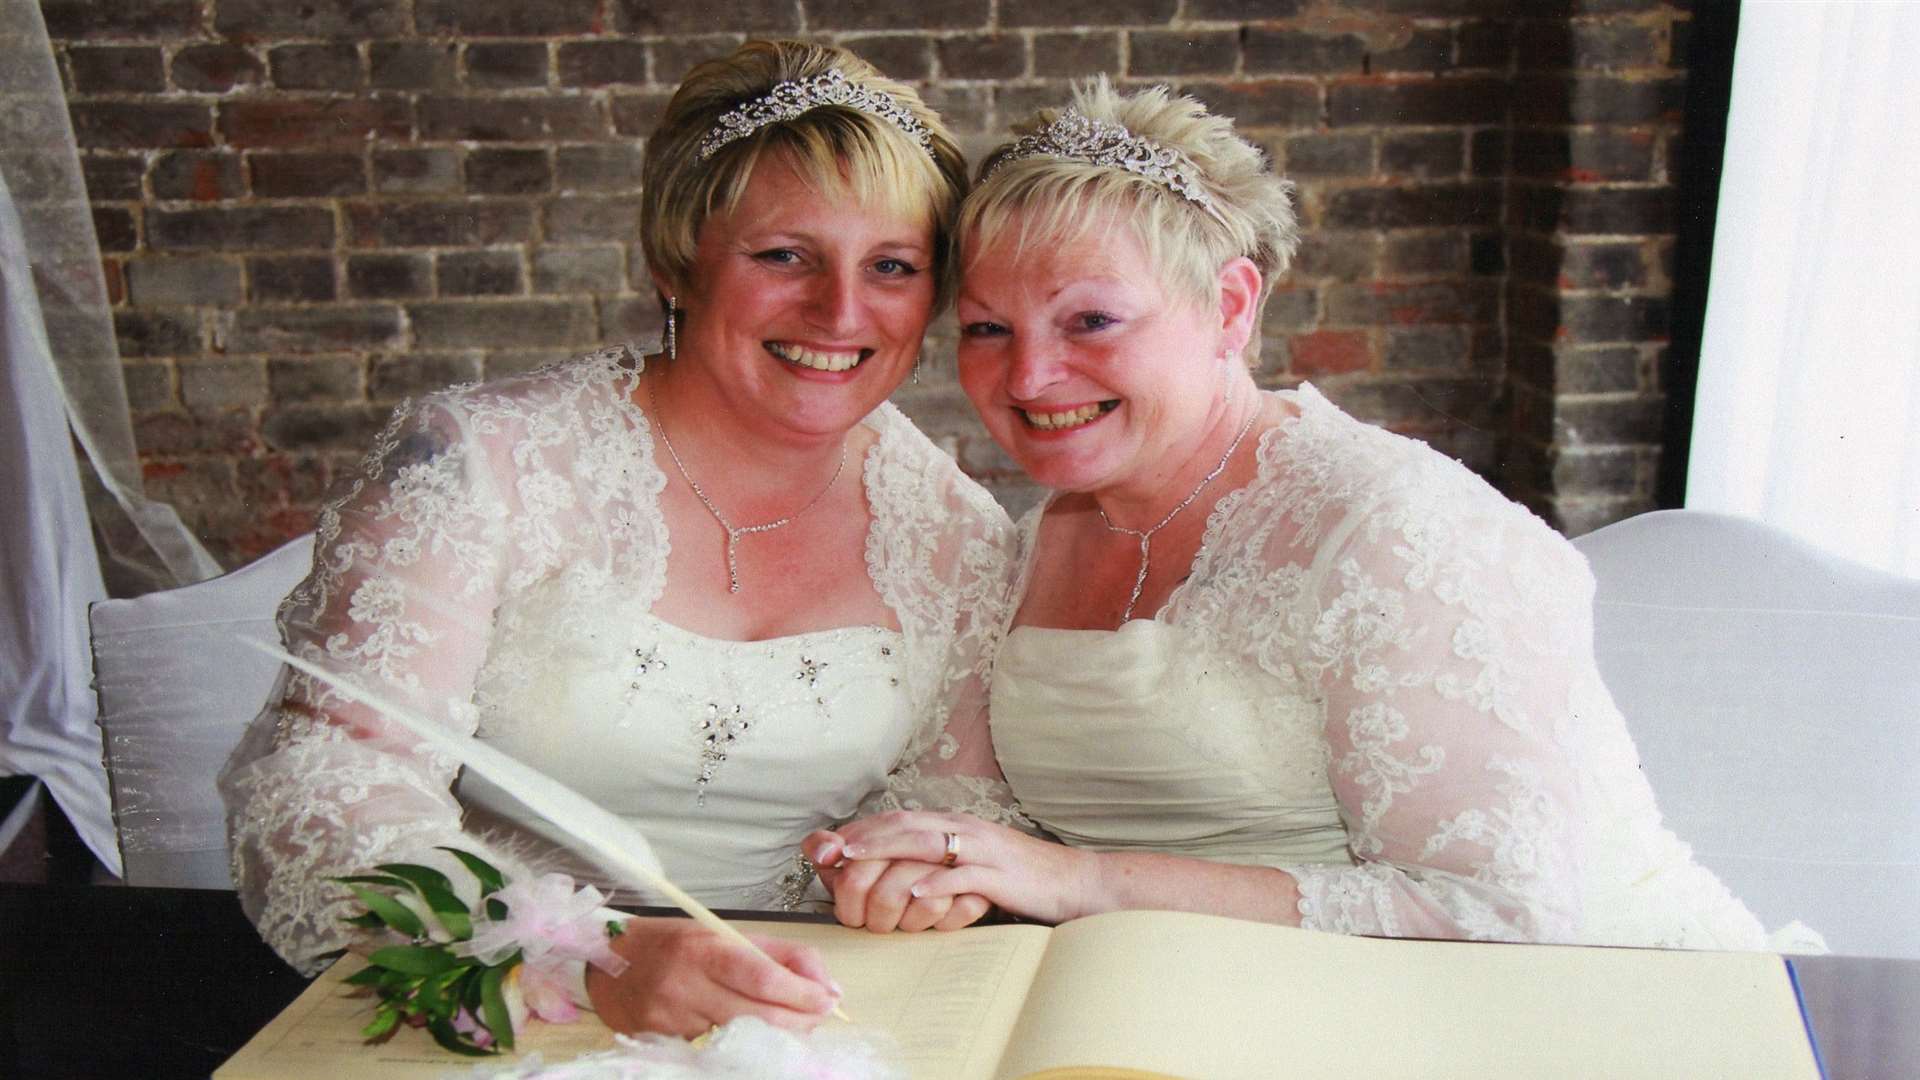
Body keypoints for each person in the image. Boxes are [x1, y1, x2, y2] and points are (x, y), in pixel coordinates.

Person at [808, 79, 1807, 952]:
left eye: (1091, 321)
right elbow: (971, 817)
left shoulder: (1394, 525)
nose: (1028, 376)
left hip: (1581, 1005)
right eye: (988, 329)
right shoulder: (1032, 544)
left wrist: (1082, 884)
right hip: (1195, 1004)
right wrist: (907, 870)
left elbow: (1500, 911)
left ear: (1232, 309)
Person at [219, 40, 1021, 1039]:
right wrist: (578, 957)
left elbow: (954, 811)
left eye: (892, 268)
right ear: (674, 263)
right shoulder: (478, 461)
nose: (841, 312)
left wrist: (917, 877)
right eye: (785, 257)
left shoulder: (962, 538)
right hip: (503, 1014)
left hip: (808, 1019)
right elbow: (324, 787)